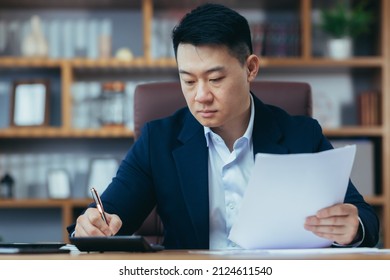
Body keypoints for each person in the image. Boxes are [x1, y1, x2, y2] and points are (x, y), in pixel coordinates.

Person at [68, 3, 379, 249]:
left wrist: (354, 227)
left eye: (215, 79)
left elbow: (364, 217)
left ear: (250, 68)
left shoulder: (302, 135)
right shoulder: (158, 142)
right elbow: (106, 217)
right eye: (188, 80)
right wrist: (91, 226)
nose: (201, 96)